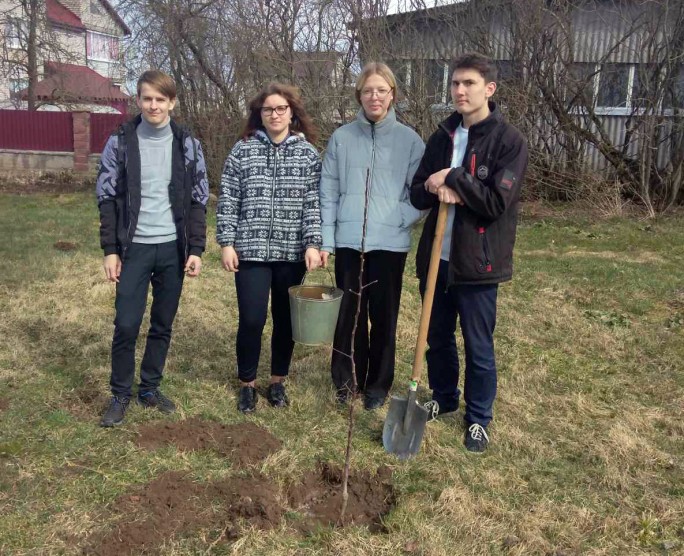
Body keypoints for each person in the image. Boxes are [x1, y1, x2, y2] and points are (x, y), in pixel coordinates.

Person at [410, 52, 528, 452]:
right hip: (436, 259)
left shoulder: (509, 141)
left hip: (478, 262)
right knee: (437, 337)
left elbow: (496, 203)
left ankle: (478, 418)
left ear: (489, 89)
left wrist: (455, 178)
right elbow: (416, 190)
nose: (459, 91)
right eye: (455, 83)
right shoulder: (442, 136)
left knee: (478, 345)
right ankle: (443, 397)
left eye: (469, 84)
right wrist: (432, 185)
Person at [96, 70, 209, 427]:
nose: (154, 105)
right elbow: (107, 196)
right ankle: (120, 394)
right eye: (147, 98)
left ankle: (149, 388)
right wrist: (110, 249)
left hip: (173, 249)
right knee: (127, 324)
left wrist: (196, 248)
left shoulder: (187, 144)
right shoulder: (121, 141)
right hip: (134, 250)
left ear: (172, 102)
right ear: (139, 101)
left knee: (162, 323)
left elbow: (197, 199)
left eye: (161, 99)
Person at [320, 63, 425, 410]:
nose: (374, 96)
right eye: (368, 91)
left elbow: (422, 193)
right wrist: (327, 238)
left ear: (392, 94)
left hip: (389, 245)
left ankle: (378, 385)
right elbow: (328, 189)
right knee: (349, 315)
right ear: (359, 96)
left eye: (381, 90)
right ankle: (347, 381)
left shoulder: (409, 141)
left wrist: (399, 218)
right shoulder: (342, 138)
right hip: (350, 241)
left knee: (383, 317)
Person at [217, 83, 322, 414]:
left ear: (292, 113)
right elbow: (229, 198)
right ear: (258, 114)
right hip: (250, 251)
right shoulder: (243, 150)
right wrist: (226, 242)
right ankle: (247, 384)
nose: (274, 115)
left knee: (285, 320)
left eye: (280, 109)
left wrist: (313, 242)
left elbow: (313, 203)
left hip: (292, 253)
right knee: (251, 318)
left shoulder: (308, 155)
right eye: (267, 110)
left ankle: (277, 381)